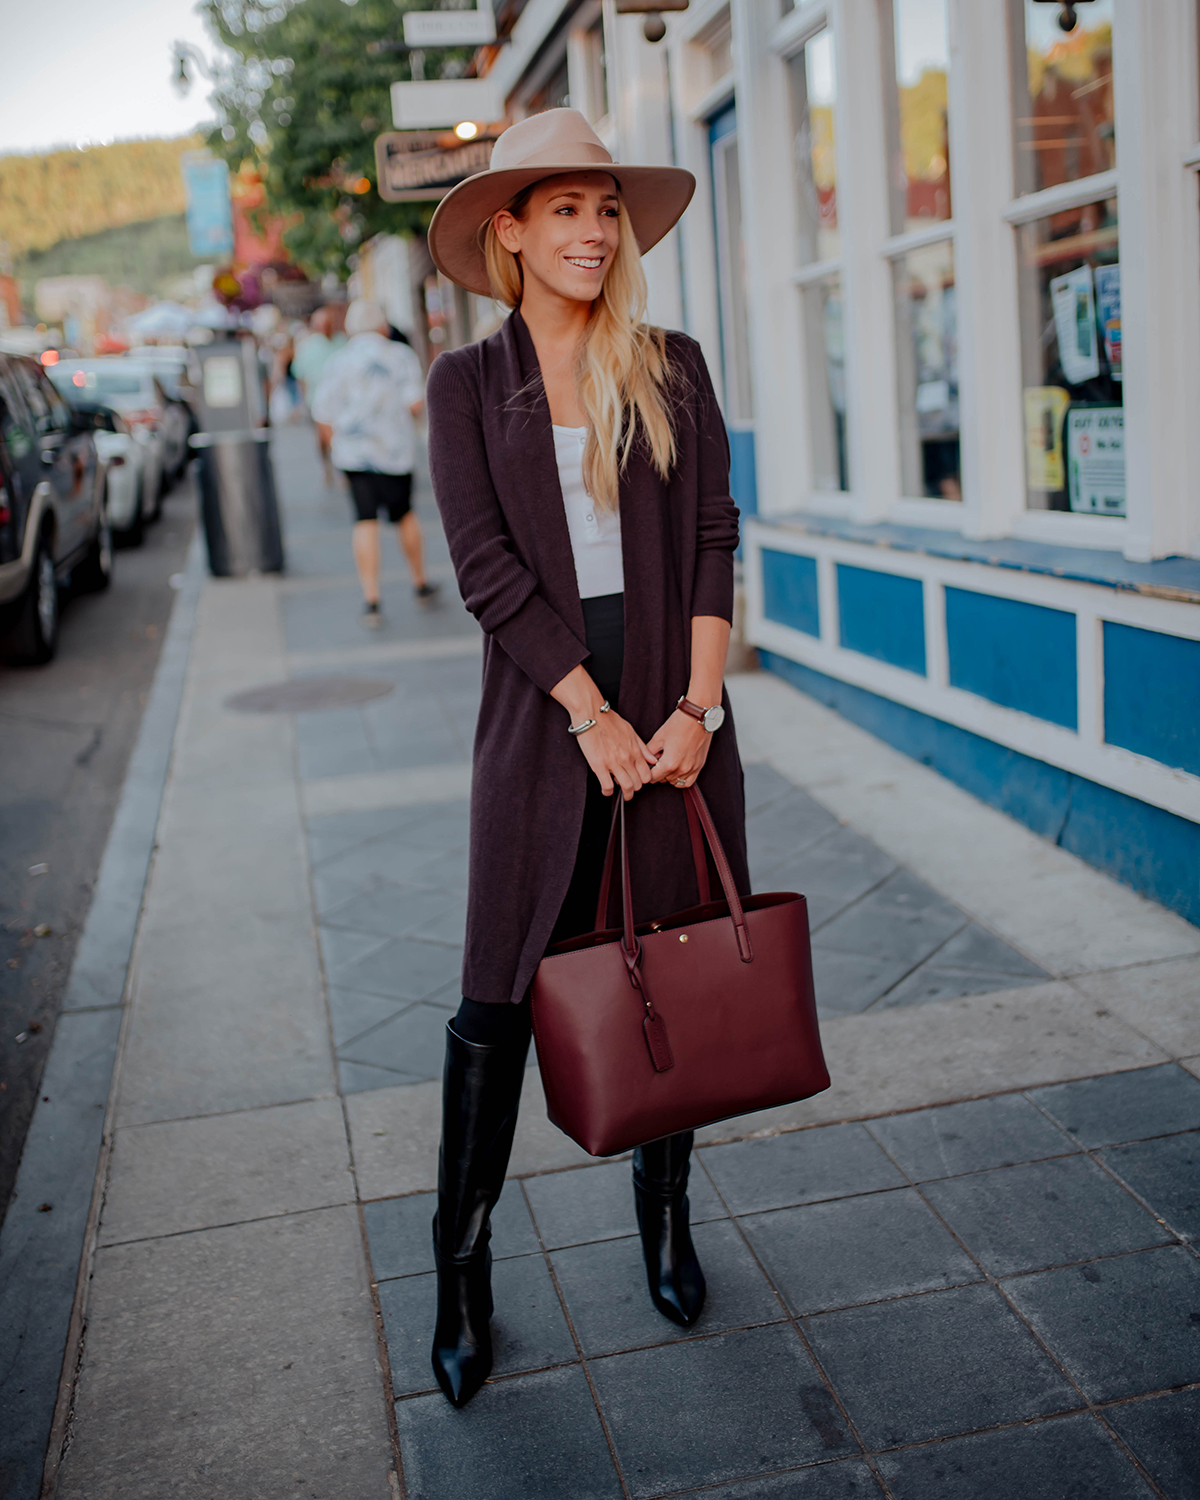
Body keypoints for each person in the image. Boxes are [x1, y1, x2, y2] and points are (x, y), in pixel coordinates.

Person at [423, 108, 749, 1408]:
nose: (593, 232)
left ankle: (665, 1220)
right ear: (510, 231)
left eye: (606, 209)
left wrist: (696, 710)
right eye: (564, 209)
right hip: (548, 722)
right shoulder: (465, 385)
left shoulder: (669, 364)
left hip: (676, 715)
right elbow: (485, 569)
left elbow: (717, 531)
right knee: (498, 995)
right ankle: (461, 1265)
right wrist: (592, 715)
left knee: (666, 962)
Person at [311, 298, 437, 626]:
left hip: (353, 454)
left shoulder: (339, 361)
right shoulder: (401, 355)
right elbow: (414, 404)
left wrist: (337, 448)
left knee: (364, 521)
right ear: (383, 326)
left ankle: (371, 599)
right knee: (405, 515)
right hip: (395, 453)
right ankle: (419, 582)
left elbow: (322, 413)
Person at [292, 305, 346, 481]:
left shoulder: (342, 341)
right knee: (321, 438)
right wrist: (303, 401)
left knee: (340, 434)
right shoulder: (308, 346)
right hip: (316, 400)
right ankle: (327, 468)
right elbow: (300, 375)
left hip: (341, 399)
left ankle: (343, 467)